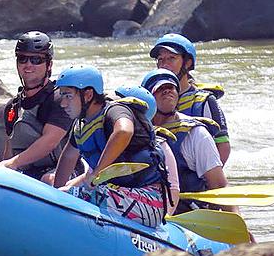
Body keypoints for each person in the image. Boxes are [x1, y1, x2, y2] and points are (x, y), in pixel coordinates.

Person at [53, 65, 170, 228]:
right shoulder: (81, 124)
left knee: (74, 194)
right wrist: (53, 196)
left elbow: (123, 131)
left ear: (87, 95)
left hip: (148, 201)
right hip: (115, 193)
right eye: (61, 95)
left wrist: (97, 173)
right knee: (65, 192)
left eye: (68, 96)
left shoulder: (115, 110)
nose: (63, 103)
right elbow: (68, 157)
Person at [141, 68, 238, 215]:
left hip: (187, 212)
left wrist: (237, 222)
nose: (167, 91)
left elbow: (219, 184)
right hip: (148, 207)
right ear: (148, 99)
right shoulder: (138, 132)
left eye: (171, 87)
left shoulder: (196, 134)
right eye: (160, 89)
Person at [2, 31, 73, 183]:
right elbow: (10, 145)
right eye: (22, 59)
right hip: (28, 171)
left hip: (63, 170)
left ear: (49, 64)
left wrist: (13, 164)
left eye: (36, 59)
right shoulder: (13, 106)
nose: (28, 65)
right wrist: (4, 171)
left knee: (49, 180)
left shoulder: (60, 99)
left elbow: (50, 142)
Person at [149, 33, 230, 164]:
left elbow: (223, 145)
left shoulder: (204, 102)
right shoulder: (151, 98)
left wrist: (210, 177)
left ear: (187, 63)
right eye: (161, 59)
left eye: (171, 58)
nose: (164, 64)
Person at [115, 85, 180, 215]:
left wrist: (165, 217)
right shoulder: (112, 138)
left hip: (145, 205)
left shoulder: (159, 145)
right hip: (118, 199)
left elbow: (172, 189)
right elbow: (90, 175)